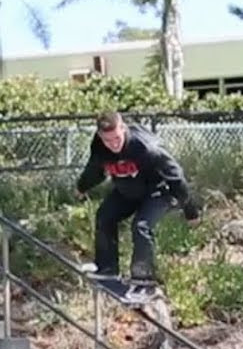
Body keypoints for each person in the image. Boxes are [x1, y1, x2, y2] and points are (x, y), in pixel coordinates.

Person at [74, 111, 199, 287]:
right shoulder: (99, 145)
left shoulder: (146, 147)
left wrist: (190, 211)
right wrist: (82, 187)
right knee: (104, 216)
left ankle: (143, 276)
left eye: (117, 138)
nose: (113, 144)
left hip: (159, 191)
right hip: (128, 190)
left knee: (141, 226)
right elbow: (95, 169)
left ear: (123, 128)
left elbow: (175, 176)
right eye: (108, 140)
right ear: (100, 136)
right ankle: (107, 269)